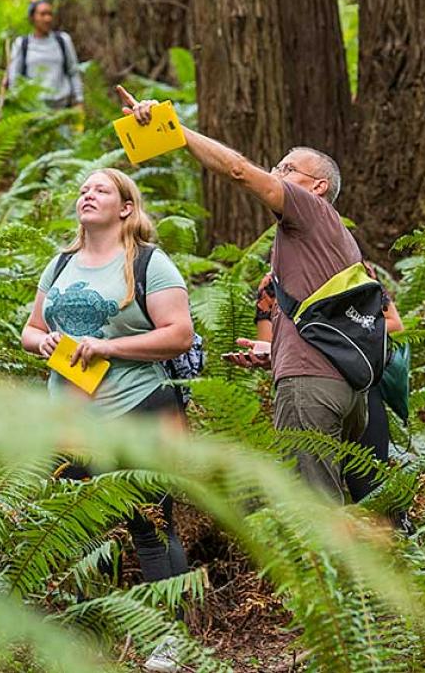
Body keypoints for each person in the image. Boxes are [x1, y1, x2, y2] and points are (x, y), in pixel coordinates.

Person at [118, 86, 375, 503]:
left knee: (316, 514)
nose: (276, 173)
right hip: (341, 386)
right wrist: (276, 351)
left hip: (311, 386)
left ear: (318, 187)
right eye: (277, 165)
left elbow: (237, 169)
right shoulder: (330, 238)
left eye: (288, 169)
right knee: (305, 497)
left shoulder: (309, 211)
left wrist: (173, 130)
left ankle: (325, 571)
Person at [20, 168, 193, 673]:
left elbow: (179, 333)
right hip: (69, 418)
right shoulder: (59, 265)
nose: (87, 194)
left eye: (100, 189)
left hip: (136, 407)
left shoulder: (149, 265)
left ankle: (168, 637)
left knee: (151, 525)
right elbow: (30, 330)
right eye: (82, 189)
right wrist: (45, 342)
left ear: (125, 207)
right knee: (66, 527)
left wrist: (109, 346)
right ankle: (76, 633)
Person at [240, 266, 403, 502]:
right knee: (314, 487)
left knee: (369, 482)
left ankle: (395, 536)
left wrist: (335, 334)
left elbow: (393, 322)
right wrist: (264, 353)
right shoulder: (272, 284)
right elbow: (269, 344)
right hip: (307, 385)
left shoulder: (354, 269)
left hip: (360, 383)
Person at [3, 0, 84, 110]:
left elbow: (73, 71)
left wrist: (79, 100)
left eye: (50, 14)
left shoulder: (63, 40)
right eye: (42, 14)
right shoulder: (22, 44)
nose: (47, 19)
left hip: (62, 109)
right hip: (32, 111)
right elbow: (15, 78)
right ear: (32, 18)